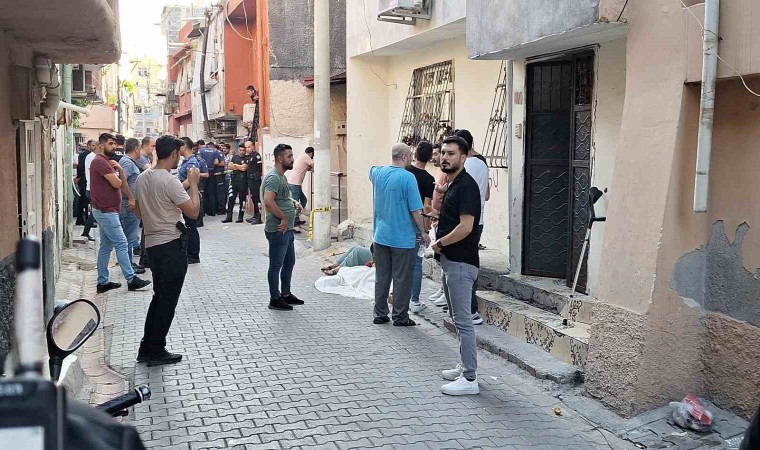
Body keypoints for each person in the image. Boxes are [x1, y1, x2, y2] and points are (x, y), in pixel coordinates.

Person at [134, 135, 200, 367]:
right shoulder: (170, 181)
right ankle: (156, 349)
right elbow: (193, 212)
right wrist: (194, 184)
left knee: (159, 297)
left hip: (152, 245)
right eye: (178, 154)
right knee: (167, 301)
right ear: (173, 153)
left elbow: (138, 213)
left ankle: (147, 347)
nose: (179, 158)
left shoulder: (143, 178)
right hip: (171, 244)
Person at [431, 135, 482, 396]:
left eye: (451, 154)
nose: (445, 157)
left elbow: (466, 227)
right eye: (443, 153)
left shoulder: (466, 186)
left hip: (462, 262)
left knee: (463, 321)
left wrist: (440, 242)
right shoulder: (453, 184)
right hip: (451, 261)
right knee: (456, 319)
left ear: (463, 157)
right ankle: (464, 366)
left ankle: (470, 378)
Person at [370, 143, 429, 327]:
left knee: (382, 277)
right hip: (402, 239)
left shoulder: (378, 173)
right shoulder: (408, 178)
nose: (412, 158)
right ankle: (400, 316)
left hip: (380, 236)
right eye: (410, 155)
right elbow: (416, 210)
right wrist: (423, 232)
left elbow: (371, 170)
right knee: (402, 279)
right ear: (404, 157)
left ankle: (380, 313)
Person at [89, 133, 152, 293]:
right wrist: (121, 172)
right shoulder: (100, 162)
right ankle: (131, 279)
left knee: (106, 247)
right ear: (101, 145)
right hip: (106, 211)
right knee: (122, 243)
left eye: (114, 144)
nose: (113, 147)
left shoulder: (105, 161)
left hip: (106, 210)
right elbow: (117, 183)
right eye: (110, 144)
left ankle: (102, 282)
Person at [262, 143, 305, 311]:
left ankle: (286, 294)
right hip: (278, 229)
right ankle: (275, 298)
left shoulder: (281, 176)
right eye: (289, 156)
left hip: (287, 229)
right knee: (276, 265)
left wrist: (293, 202)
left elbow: (281, 197)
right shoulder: (274, 177)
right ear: (280, 158)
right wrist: (284, 218)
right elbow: (268, 201)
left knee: (289, 262)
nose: (292, 159)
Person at [454, 129, 489, 326]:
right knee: (470, 262)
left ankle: (470, 310)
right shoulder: (483, 163)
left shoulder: (466, 165)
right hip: (479, 219)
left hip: (465, 220)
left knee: (463, 265)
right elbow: (487, 195)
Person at [407, 141, 435, 314]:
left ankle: (399, 296)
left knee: (401, 262)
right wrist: (425, 230)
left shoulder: (405, 172)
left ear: (415, 154)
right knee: (417, 262)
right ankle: (414, 300)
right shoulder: (429, 179)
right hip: (417, 224)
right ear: (430, 157)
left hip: (401, 222)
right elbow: (426, 207)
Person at [118, 138, 145, 274]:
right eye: (140, 148)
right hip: (128, 205)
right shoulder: (127, 163)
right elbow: (122, 182)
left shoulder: (127, 162)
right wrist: (131, 198)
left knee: (130, 237)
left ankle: (129, 263)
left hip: (129, 204)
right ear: (136, 149)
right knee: (128, 237)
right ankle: (128, 266)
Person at [429, 143, 449, 306]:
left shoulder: (447, 173)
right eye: (435, 154)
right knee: (439, 258)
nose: (435, 157)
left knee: (444, 258)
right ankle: (442, 289)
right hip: (437, 219)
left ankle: (445, 290)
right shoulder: (438, 172)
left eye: (437, 154)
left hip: (443, 220)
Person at [177, 137, 202, 264]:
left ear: (184, 146)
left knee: (191, 227)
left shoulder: (191, 162)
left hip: (189, 195)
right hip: (185, 195)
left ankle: (193, 255)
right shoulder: (187, 161)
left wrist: (176, 190)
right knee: (189, 226)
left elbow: (190, 180)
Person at [287, 147, 314, 226]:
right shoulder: (307, 157)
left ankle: (296, 218)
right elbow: (314, 166)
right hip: (295, 184)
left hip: (293, 183)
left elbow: (306, 168)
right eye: (313, 155)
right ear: (311, 153)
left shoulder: (302, 156)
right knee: (295, 204)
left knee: (303, 200)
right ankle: (292, 222)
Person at [223, 144, 249, 223]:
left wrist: (236, 166)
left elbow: (244, 168)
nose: (242, 152)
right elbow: (230, 167)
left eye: (243, 150)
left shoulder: (247, 158)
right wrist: (239, 166)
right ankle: (229, 217)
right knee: (231, 199)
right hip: (234, 181)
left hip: (243, 182)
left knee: (242, 200)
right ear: (238, 150)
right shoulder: (234, 157)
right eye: (240, 150)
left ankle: (241, 217)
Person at [198, 140, 222, 216]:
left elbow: (199, 160)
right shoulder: (213, 151)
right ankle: (212, 211)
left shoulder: (201, 151)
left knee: (203, 192)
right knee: (212, 192)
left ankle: (204, 210)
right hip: (212, 172)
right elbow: (216, 162)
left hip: (204, 172)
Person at [81, 141, 99, 241]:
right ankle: (86, 231)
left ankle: (86, 232)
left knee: (95, 211)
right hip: (92, 188)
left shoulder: (95, 157)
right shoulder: (91, 157)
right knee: (95, 211)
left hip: (93, 188)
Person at [75, 140, 95, 225]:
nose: (94, 147)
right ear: (89, 146)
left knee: (84, 200)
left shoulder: (85, 154)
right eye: (93, 145)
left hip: (84, 179)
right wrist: (79, 176)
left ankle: (83, 219)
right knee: (84, 200)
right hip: (85, 179)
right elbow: (81, 167)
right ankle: (84, 219)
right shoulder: (87, 155)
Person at [244, 140, 263, 225]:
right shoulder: (249, 156)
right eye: (246, 147)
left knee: (257, 198)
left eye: (248, 147)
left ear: (253, 146)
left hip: (255, 180)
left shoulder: (256, 156)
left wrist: (256, 176)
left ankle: (259, 217)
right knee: (253, 198)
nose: (247, 149)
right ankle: (255, 215)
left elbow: (259, 168)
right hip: (250, 180)